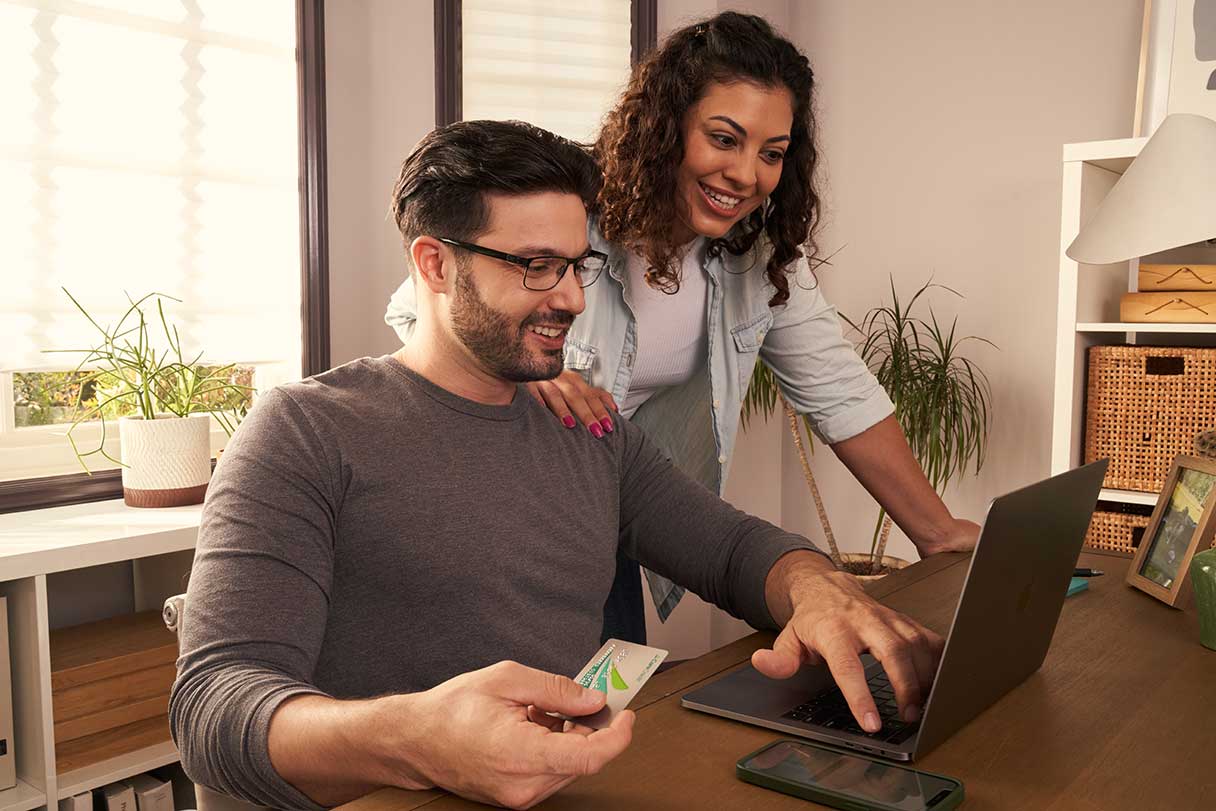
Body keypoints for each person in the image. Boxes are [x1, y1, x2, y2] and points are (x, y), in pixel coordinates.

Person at [170, 119, 945, 811]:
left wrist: (816, 589)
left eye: (580, 265)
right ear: (435, 267)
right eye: (537, 265)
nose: (573, 298)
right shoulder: (305, 430)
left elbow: (731, 547)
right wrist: (414, 735)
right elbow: (212, 709)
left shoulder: (589, 428)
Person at [384, 12, 980, 646]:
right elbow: (416, 305)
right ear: (666, 127)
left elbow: (838, 388)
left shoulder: (760, 255)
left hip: (608, 492)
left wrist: (937, 531)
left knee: (609, 700)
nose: (747, 174)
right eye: (724, 139)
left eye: (771, 153)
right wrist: (530, 377)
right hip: (511, 492)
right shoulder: (566, 209)